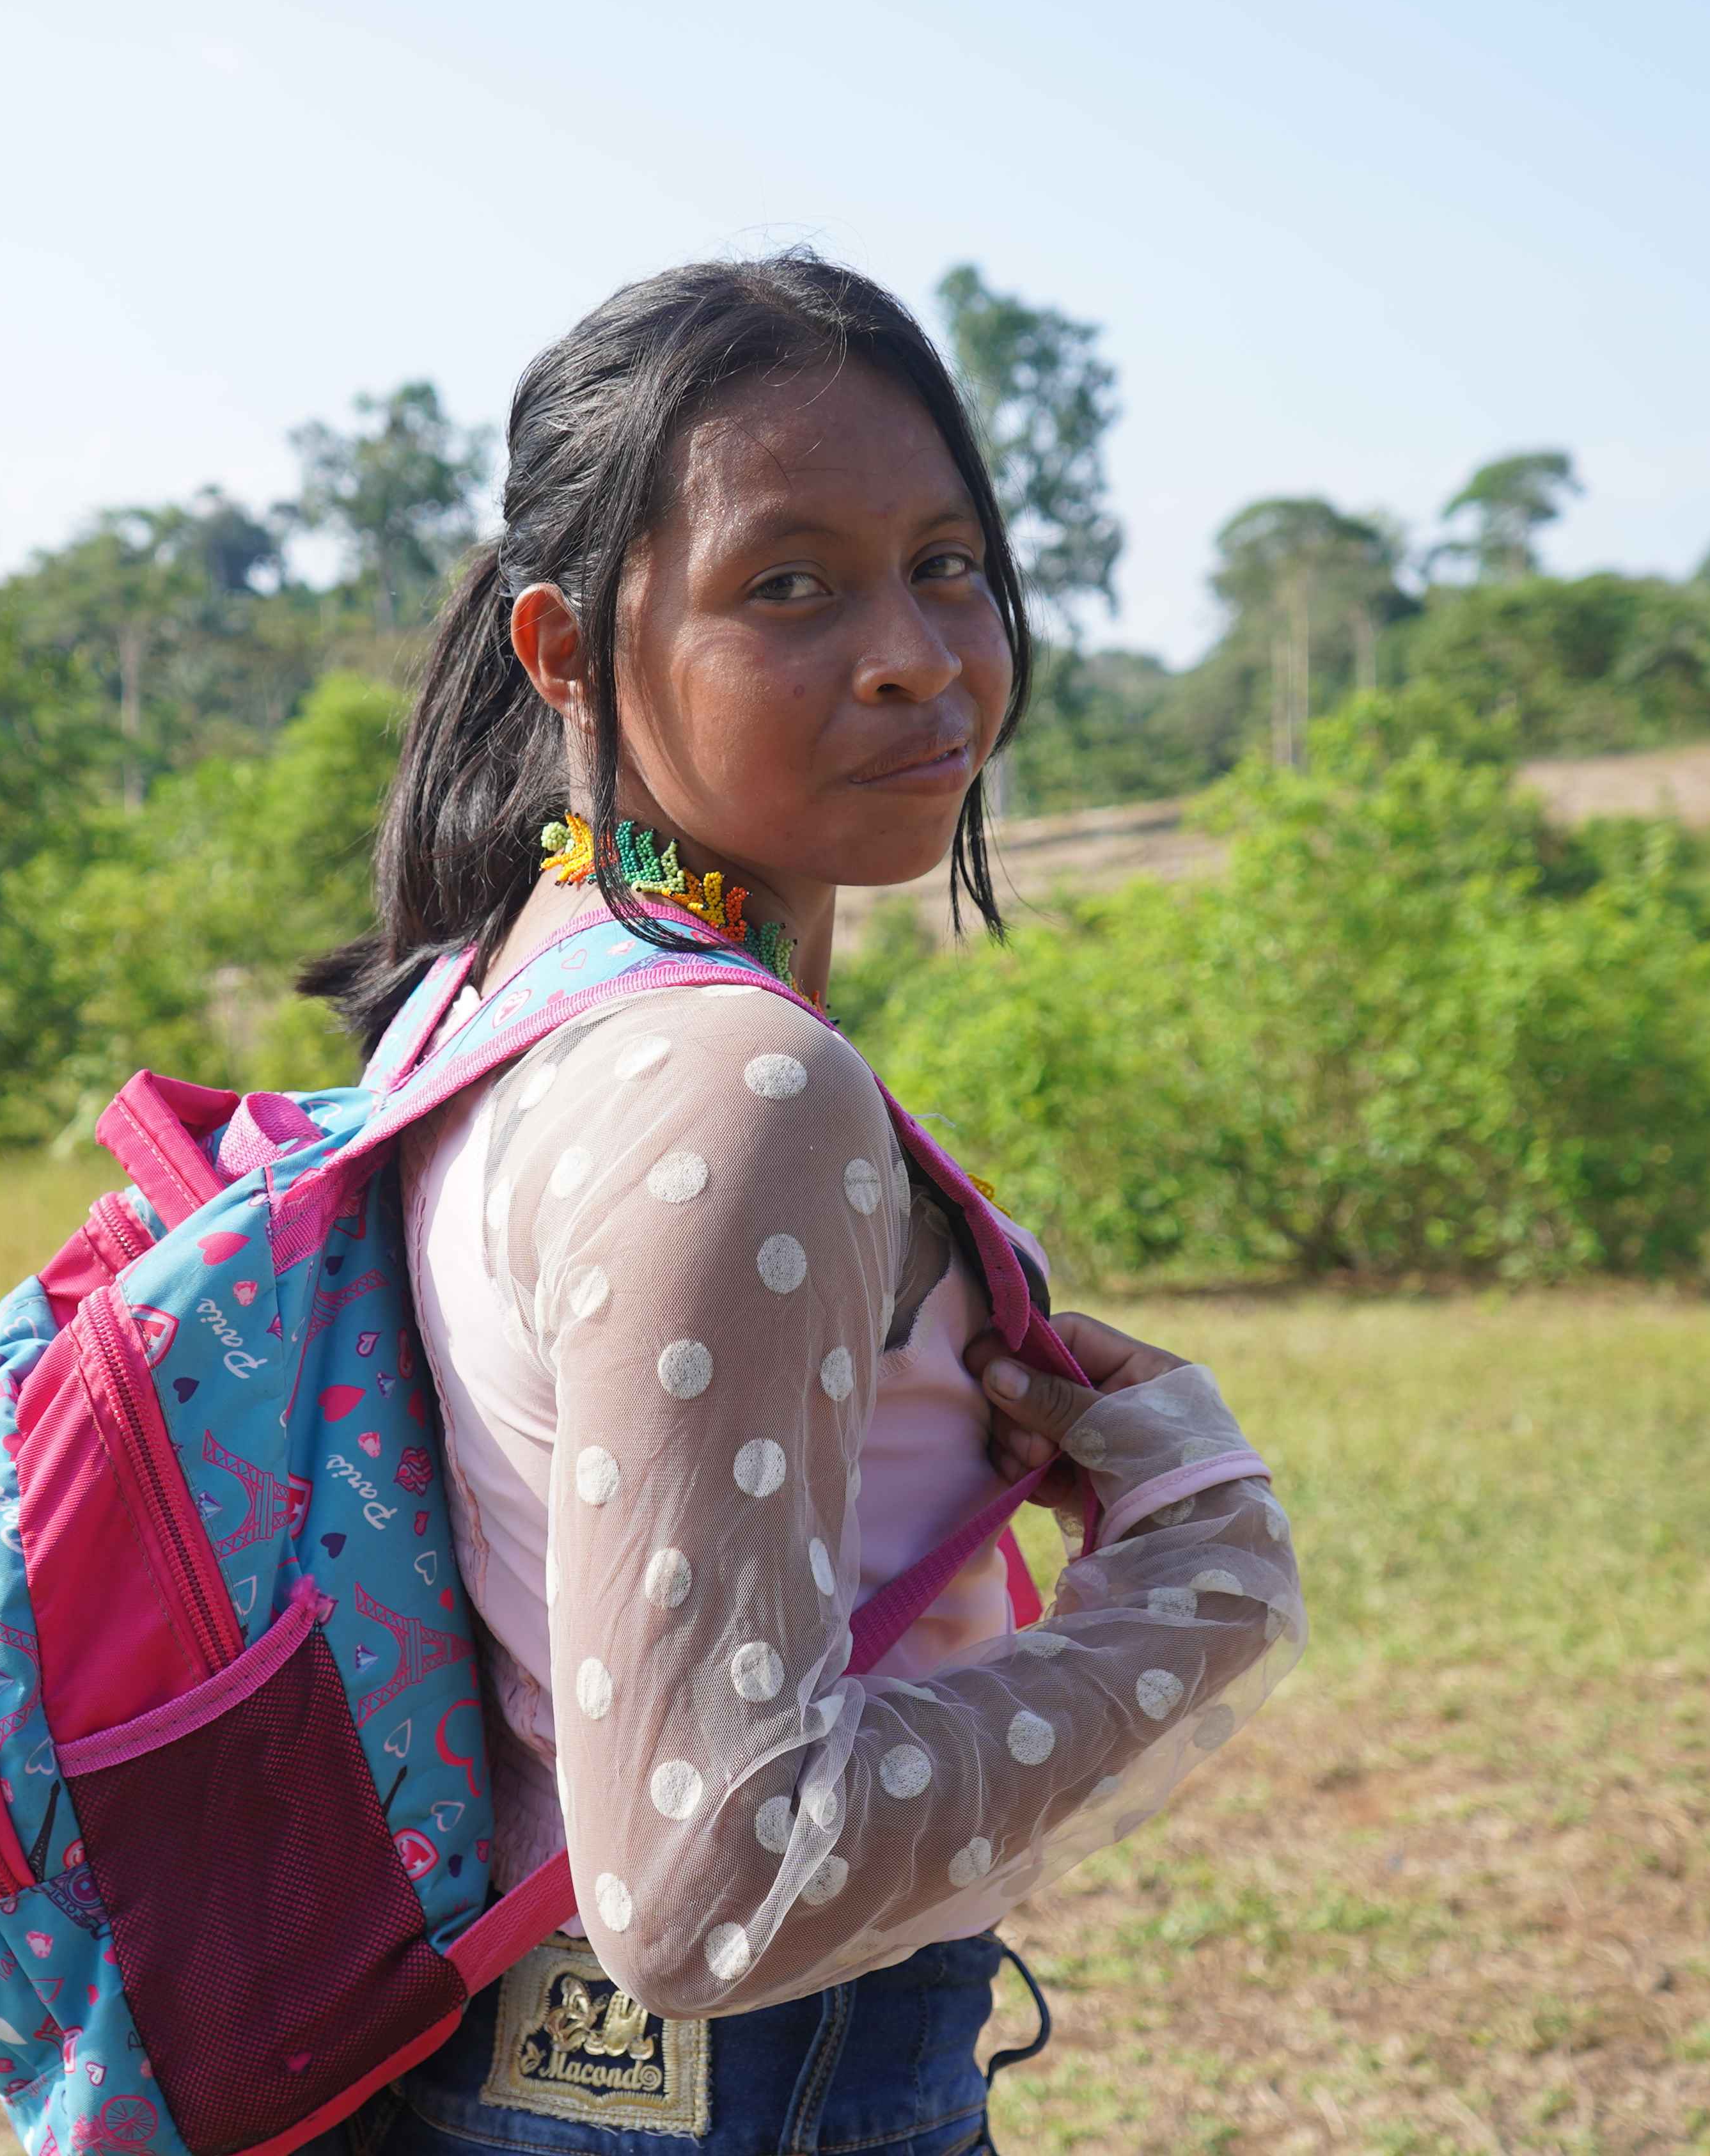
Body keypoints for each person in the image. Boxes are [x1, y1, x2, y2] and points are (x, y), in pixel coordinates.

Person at [304, 253, 1305, 2156]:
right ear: (565, 652)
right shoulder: (734, 1082)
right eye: (790, 584)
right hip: (739, 2097)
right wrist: (1205, 1581)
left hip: (536, 2076)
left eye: (948, 563)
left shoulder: (502, 989)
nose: (917, 652)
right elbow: (712, 1877)